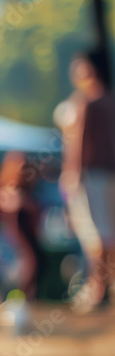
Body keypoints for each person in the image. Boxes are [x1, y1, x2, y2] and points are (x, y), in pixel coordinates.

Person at [60, 49, 115, 312]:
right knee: (106, 232)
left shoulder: (88, 104)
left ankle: (97, 286)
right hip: (105, 174)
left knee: (97, 233)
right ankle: (103, 284)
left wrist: (71, 174)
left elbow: (77, 144)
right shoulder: (105, 101)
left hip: (92, 175)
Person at [0, 152, 43, 300]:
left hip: (26, 234)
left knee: (33, 264)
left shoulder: (23, 189)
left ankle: (27, 298)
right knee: (29, 265)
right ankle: (20, 297)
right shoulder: (10, 189)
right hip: (19, 235)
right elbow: (14, 208)